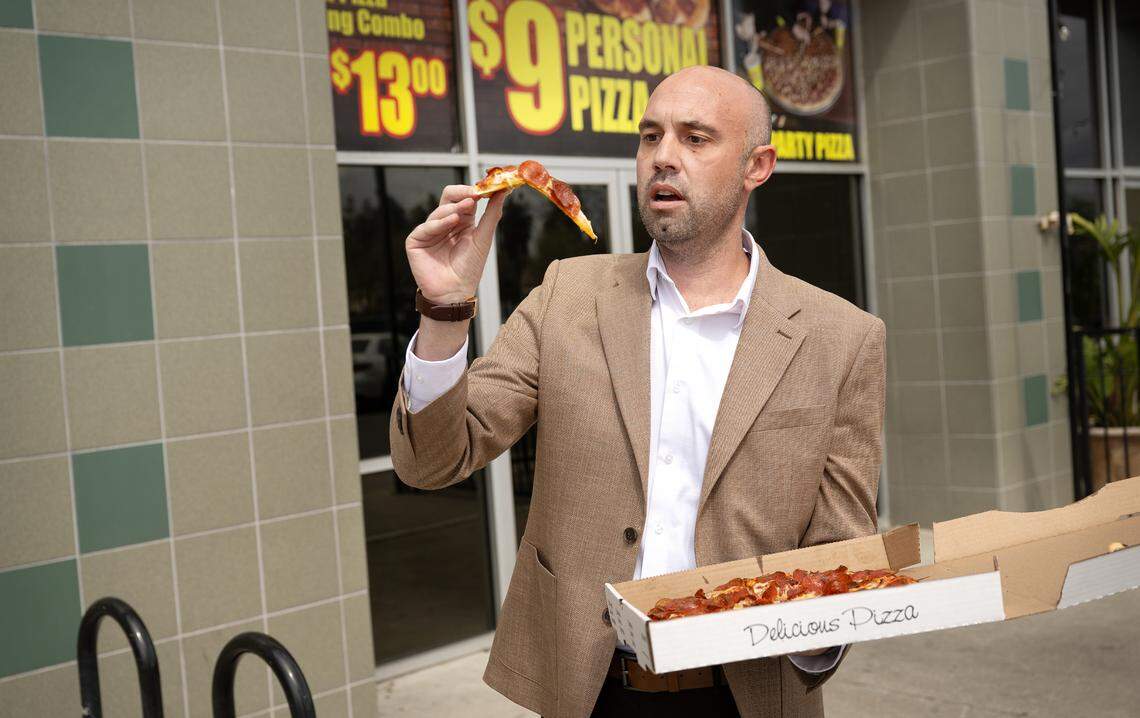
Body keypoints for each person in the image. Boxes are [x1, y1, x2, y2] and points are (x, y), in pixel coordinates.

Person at [390, 65, 885, 717]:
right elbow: (431, 461)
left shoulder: (842, 337)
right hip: (593, 691)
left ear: (756, 165)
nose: (663, 157)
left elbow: (841, 548)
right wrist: (444, 311)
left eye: (696, 138)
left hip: (748, 694)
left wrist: (823, 625)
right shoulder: (567, 296)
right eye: (650, 136)